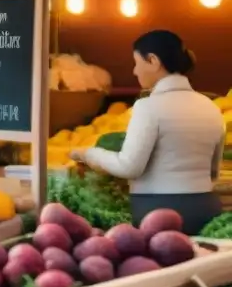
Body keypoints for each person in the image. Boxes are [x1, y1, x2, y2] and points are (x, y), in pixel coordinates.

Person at [72, 30, 225, 234]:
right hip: (206, 207)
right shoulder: (211, 107)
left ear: (153, 61)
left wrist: (89, 154)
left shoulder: (148, 107)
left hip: (158, 212)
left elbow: (129, 166)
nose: (135, 71)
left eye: (136, 62)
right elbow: (213, 171)